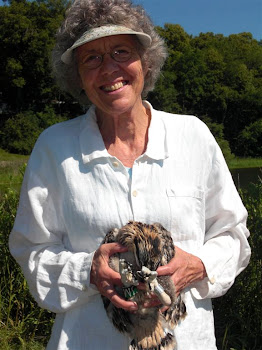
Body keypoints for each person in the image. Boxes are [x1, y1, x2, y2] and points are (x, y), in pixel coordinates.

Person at [9, 0, 251, 349]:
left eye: (121, 51)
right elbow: (31, 249)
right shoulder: (54, 147)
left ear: (146, 60)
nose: (109, 69)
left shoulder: (192, 136)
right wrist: (87, 272)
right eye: (91, 58)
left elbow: (232, 233)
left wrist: (199, 265)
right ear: (77, 75)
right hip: (86, 340)